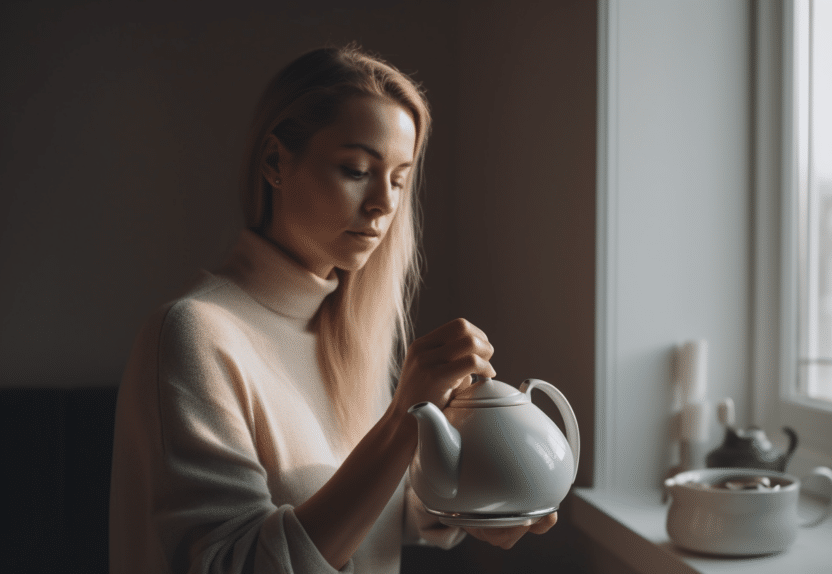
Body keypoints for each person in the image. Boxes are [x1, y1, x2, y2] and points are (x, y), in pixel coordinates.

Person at [109, 45, 556, 574]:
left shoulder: (346, 334)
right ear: (274, 162)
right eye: (356, 169)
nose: (383, 204)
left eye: (399, 178)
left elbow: (372, 511)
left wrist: (475, 499)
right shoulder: (195, 335)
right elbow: (236, 564)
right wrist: (403, 420)